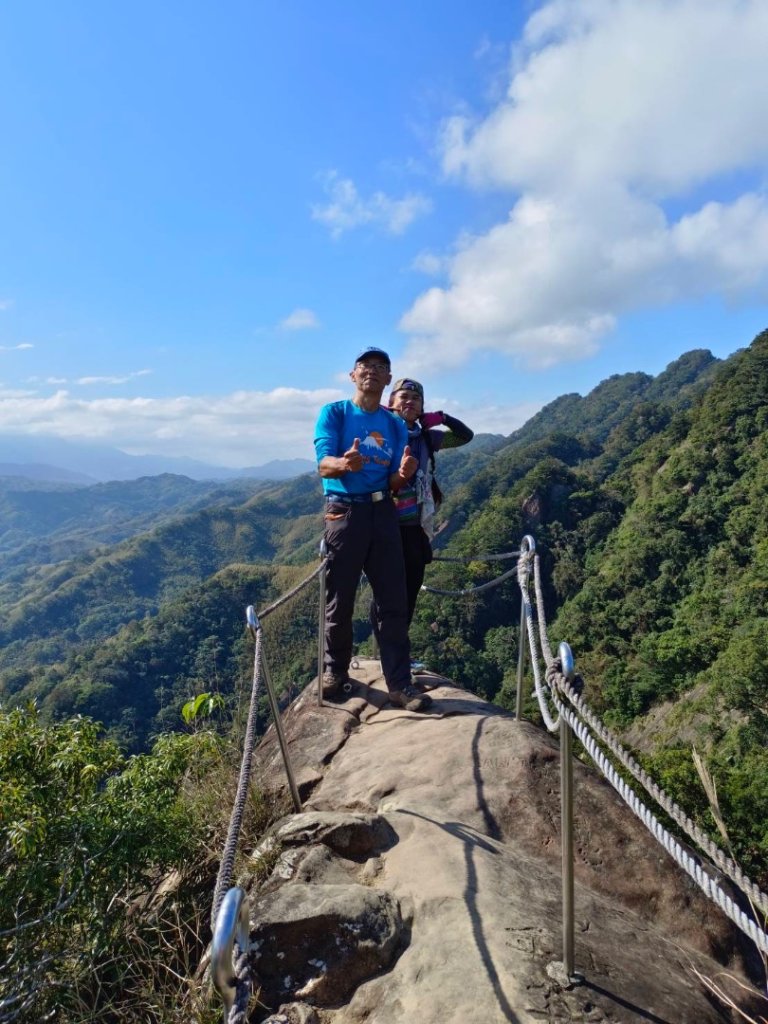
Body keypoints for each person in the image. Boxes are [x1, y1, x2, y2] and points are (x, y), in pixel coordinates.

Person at [314, 348, 432, 712]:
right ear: (353, 375)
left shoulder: (394, 424)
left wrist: (405, 474)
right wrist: (343, 463)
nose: (372, 372)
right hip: (344, 511)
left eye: (381, 368)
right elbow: (323, 465)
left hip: (383, 510)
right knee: (341, 596)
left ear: (387, 379)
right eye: (366, 366)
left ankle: (399, 684)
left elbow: (394, 481)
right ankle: (335, 672)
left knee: (392, 599)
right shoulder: (334, 413)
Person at [388, 377, 473, 628]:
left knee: (410, 591)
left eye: (416, 399)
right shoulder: (381, 432)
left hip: (415, 526)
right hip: (386, 524)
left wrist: (443, 418)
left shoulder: (426, 438)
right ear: (391, 402)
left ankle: (398, 649)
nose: (410, 402)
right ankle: (387, 650)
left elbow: (464, 436)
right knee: (387, 595)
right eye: (403, 396)